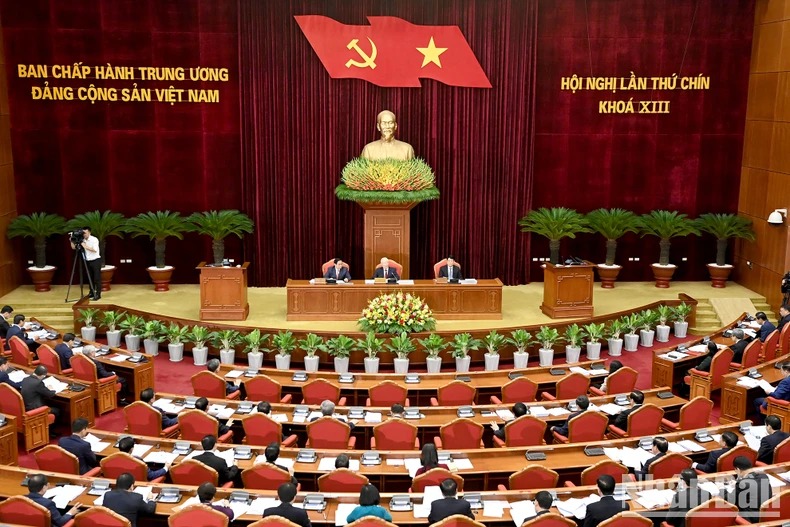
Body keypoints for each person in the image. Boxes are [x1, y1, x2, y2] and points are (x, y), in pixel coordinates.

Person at [726, 456, 772, 523]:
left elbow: (729, 499)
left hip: (750, 520)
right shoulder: (764, 477)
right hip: (766, 516)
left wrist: (721, 488)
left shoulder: (742, 484)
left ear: (737, 469)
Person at [70, 226, 102, 300]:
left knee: (97, 278)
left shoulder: (94, 239)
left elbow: (94, 250)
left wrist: (84, 246)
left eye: (85, 233)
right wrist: (72, 240)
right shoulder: (82, 240)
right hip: (87, 261)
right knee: (90, 277)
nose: (84, 234)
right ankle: (91, 292)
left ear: (89, 232)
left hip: (95, 260)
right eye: (83, 233)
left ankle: (98, 294)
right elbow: (73, 247)